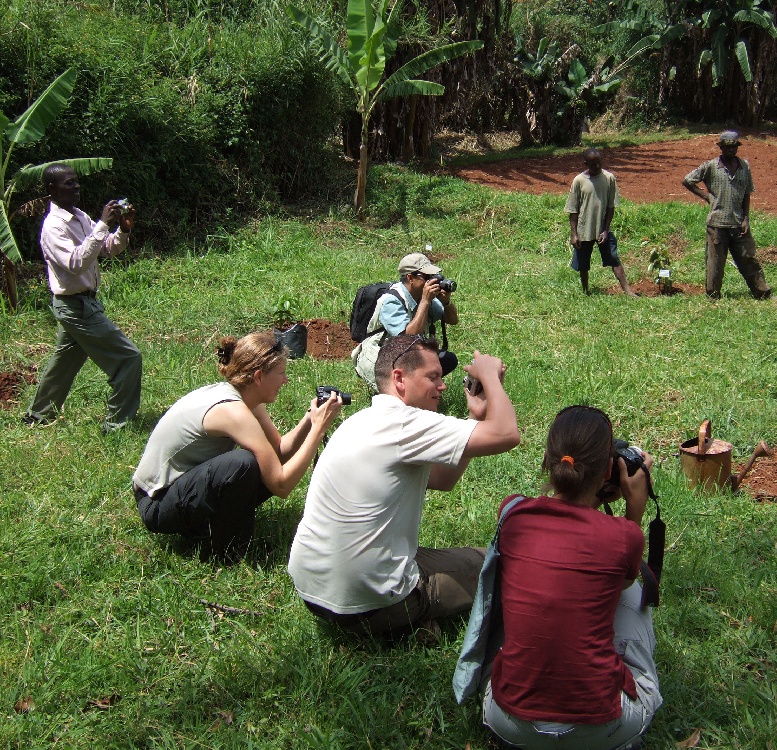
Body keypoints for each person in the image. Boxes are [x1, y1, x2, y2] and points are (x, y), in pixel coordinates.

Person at [289, 334, 520, 638]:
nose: (442, 386)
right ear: (399, 379)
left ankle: (398, 622)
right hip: (365, 603)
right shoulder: (405, 423)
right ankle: (403, 620)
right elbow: (506, 434)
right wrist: (489, 377)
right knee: (496, 563)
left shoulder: (360, 421)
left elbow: (443, 480)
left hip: (313, 592)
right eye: (433, 377)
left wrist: (475, 416)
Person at [480, 405, 662, 750]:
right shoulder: (623, 537)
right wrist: (634, 508)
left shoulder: (513, 515)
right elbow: (619, 580)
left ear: (547, 461)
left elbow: (567, 535)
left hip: (510, 722)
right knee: (632, 592)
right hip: (600, 727)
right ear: (608, 469)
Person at [133, 332, 342, 560]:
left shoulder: (245, 397)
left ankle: (208, 529)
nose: (286, 380)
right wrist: (318, 430)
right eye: (281, 373)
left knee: (256, 463)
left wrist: (310, 419)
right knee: (243, 465)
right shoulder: (233, 412)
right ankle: (226, 554)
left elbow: (278, 451)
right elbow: (281, 485)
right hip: (156, 502)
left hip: (176, 489)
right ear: (259, 376)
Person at [25, 164, 142, 433]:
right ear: (52, 190)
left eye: (76, 181)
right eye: (68, 183)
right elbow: (75, 263)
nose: (76, 186)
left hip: (84, 302)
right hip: (75, 306)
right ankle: (117, 425)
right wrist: (103, 224)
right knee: (128, 357)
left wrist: (123, 230)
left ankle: (38, 415)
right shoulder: (53, 227)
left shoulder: (79, 216)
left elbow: (106, 249)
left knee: (64, 363)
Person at [683, 131, 772, 300]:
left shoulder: (744, 166)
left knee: (748, 259)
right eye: (728, 147)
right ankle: (713, 295)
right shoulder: (711, 166)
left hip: (738, 222)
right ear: (721, 147)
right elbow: (688, 180)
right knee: (715, 263)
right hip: (717, 223)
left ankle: (762, 292)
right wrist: (706, 196)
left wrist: (746, 218)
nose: (731, 150)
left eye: (734, 147)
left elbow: (747, 193)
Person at [351, 252, 459, 391]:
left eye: (433, 276)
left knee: (447, 360)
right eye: (427, 277)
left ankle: (418, 390)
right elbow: (408, 338)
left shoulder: (423, 296)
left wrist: (446, 302)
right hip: (380, 358)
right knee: (403, 395)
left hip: (405, 354)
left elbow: (453, 320)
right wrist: (425, 302)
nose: (432, 281)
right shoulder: (391, 301)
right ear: (410, 278)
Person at [565, 148, 636, 296]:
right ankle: (585, 291)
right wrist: (574, 234)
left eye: (599, 162)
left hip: (603, 229)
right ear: (586, 163)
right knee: (583, 263)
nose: (597, 166)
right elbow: (573, 210)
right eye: (593, 164)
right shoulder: (579, 181)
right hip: (584, 229)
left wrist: (605, 229)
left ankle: (628, 291)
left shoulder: (609, 178)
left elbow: (611, 206)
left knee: (614, 258)